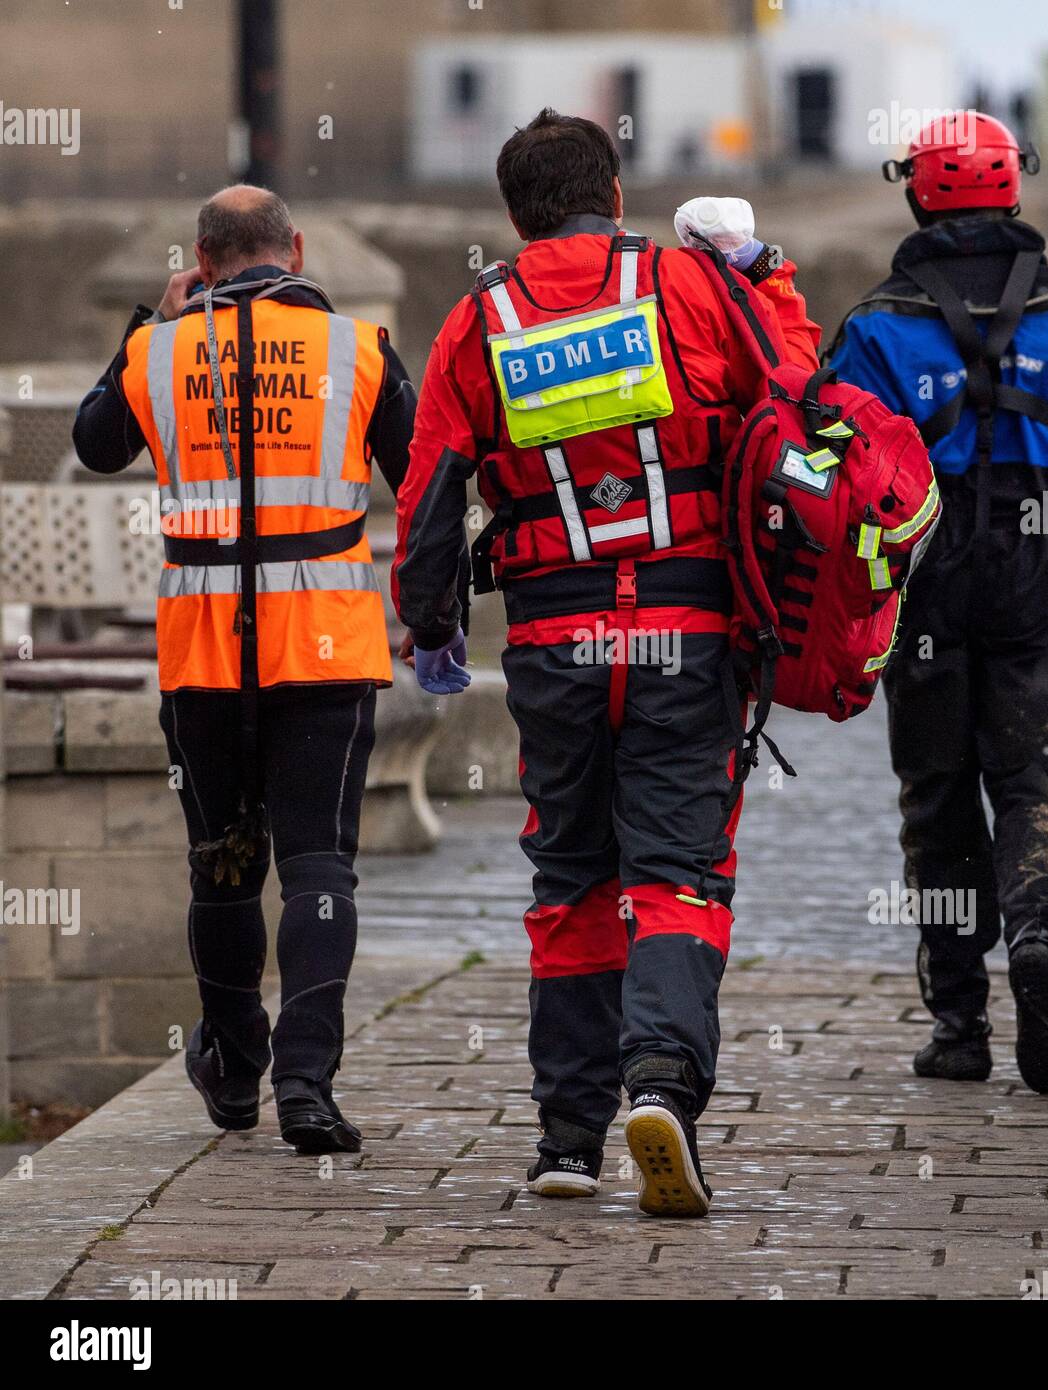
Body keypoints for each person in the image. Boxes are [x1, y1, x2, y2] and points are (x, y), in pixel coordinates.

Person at [394, 109, 819, 1215]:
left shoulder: (474, 322)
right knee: (676, 874)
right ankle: (663, 1087)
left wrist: (431, 626)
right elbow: (795, 388)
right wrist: (760, 269)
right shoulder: (687, 285)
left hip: (552, 641)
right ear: (616, 194)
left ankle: (568, 1138)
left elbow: (431, 493)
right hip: (687, 631)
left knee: (572, 879)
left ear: (512, 216)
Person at [829, 113, 1048, 1094]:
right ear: (1013, 190)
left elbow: (827, 466)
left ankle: (959, 1027)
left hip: (922, 577)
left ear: (917, 193)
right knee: (1038, 776)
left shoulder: (874, 326)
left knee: (936, 793)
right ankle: (1034, 935)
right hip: (1038, 570)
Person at [73, 185, 416, 1152]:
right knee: (319, 865)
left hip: (206, 655)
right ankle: (308, 1086)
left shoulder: (160, 351)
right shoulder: (361, 349)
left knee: (222, 867)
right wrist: (430, 611)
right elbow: (423, 478)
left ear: (202, 258)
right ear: (297, 248)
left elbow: (96, 446)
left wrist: (154, 319)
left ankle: (234, 1064)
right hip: (326, 650)